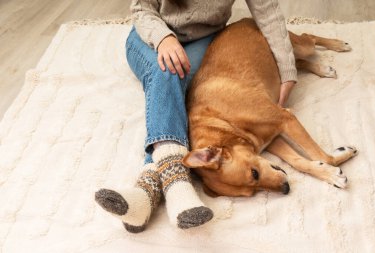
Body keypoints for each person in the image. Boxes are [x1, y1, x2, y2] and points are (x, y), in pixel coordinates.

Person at [95, 0, 297, 233]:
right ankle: (176, 184)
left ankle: (147, 188)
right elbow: (141, 8)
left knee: (177, 80)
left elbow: (267, 11)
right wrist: (163, 38)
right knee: (167, 71)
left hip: (204, 39)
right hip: (149, 34)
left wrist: (287, 69)